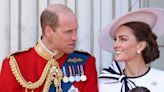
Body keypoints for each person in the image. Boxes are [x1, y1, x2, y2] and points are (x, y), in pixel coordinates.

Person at [0, 4, 98, 92]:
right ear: (49, 31)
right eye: (68, 32)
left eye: (76, 30)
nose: (74, 37)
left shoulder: (85, 62)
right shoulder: (15, 64)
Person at [98, 8, 164, 92]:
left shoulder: (161, 80)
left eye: (123, 39)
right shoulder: (106, 82)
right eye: (116, 39)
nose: (115, 45)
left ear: (140, 46)